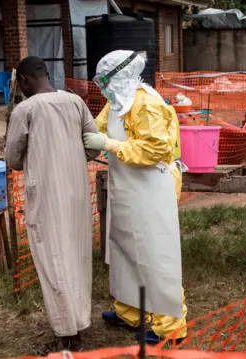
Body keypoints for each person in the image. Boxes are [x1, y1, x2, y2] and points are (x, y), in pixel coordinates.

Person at [83, 50, 187, 345]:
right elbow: (97, 127)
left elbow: (155, 150)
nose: (102, 87)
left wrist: (110, 145)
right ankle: (131, 311)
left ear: (120, 76)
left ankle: (171, 326)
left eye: (104, 80)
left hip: (152, 188)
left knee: (156, 256)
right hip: (127, 188)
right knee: (125, 248)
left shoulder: (147, 103)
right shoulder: (117, 102)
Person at [4, 56, 100, 352]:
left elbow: (12, 158)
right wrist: (71, 158)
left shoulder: (26, 109)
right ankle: (79, 322)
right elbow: (93, 143)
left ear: (23, 81)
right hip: (77, 194)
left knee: (52, 257)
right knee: (76, 253)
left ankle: (67, 336)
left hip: (45, 194)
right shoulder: (75, 102)